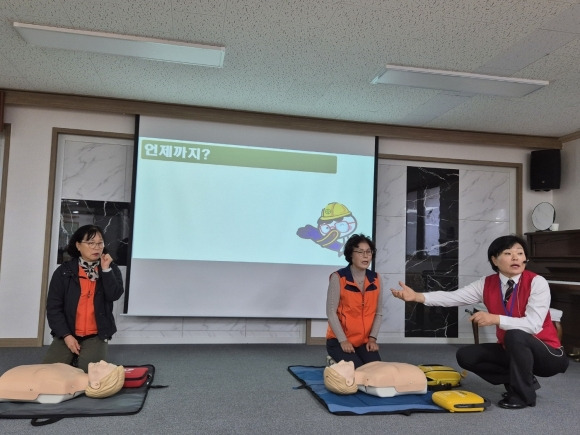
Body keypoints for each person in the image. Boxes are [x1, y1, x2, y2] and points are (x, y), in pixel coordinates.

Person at [391, 234, 569, 409]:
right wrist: (418, 296)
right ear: (495, 260)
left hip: (548, 353)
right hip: (513, 350)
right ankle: (522, 381)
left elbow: (533, 324)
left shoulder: (537, 282)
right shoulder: (486, 283)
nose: (515, 257)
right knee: (467, 356)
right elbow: (454, 297)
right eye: (508, 253)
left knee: (516, 335)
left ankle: (523, 396)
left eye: (520, 253)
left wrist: (495, 319)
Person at [43, 225, 124, 373]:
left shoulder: (110, 268)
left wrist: (106, 270)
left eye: (100, 243)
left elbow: (114, 295)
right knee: (50, 374)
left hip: (96, 335)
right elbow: (54, 308)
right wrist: (66, 336)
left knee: (89, 376)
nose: (96, 247)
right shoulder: (64, 271)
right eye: (91, 243)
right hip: (67, 332)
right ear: (78, 245)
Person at [326, 233, 383, 368]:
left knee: (376, 371)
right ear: (351, 254)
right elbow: (331, 313)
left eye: (369, 252)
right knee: (357, 373)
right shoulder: (338, 277)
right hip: (339, 341)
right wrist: (343, 340)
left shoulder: (376, 278)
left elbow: (378, 313)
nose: (366, 256)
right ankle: (332, 360)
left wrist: (372, 339)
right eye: (360, 252)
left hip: (363, 341)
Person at [0, 360, 125, 402]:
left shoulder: (62, 386)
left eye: (105, 367)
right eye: (107, 363)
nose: (103, 361)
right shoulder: (77, 371)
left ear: (96, 384)